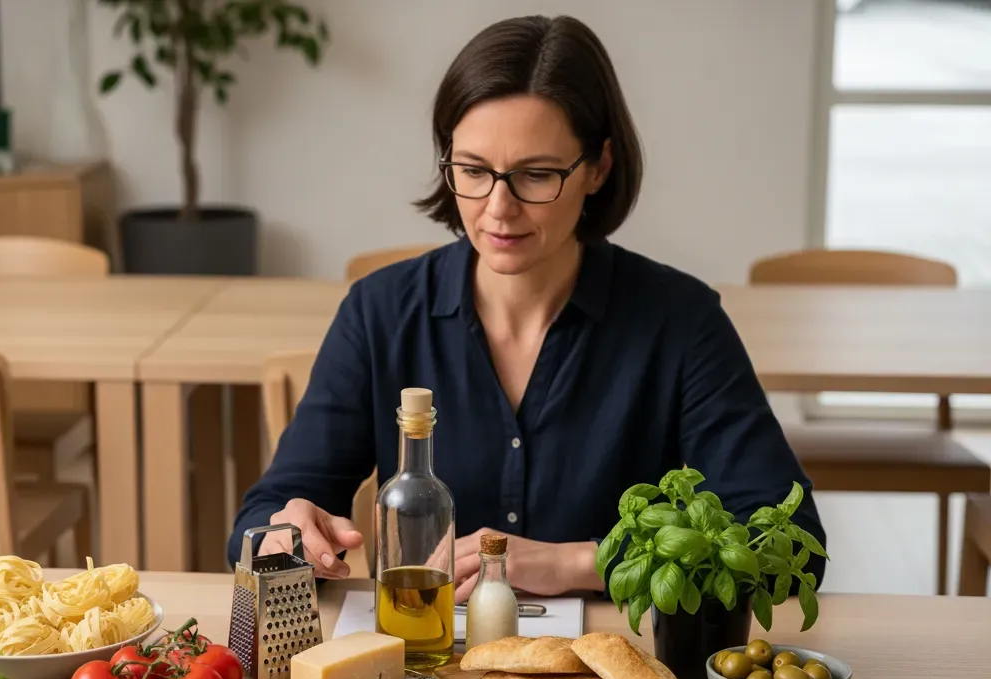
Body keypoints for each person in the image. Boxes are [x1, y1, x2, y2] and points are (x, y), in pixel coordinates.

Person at [228, 14, 827, 602]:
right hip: (423, 662)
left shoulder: (682, 322)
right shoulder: (379, 311)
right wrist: (288, 531)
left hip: (613, 670)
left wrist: (574, 561)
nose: (498, 209)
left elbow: (790, 548)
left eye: (536, 175)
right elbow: (260, 521)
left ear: (599, 168)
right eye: (473, 171)